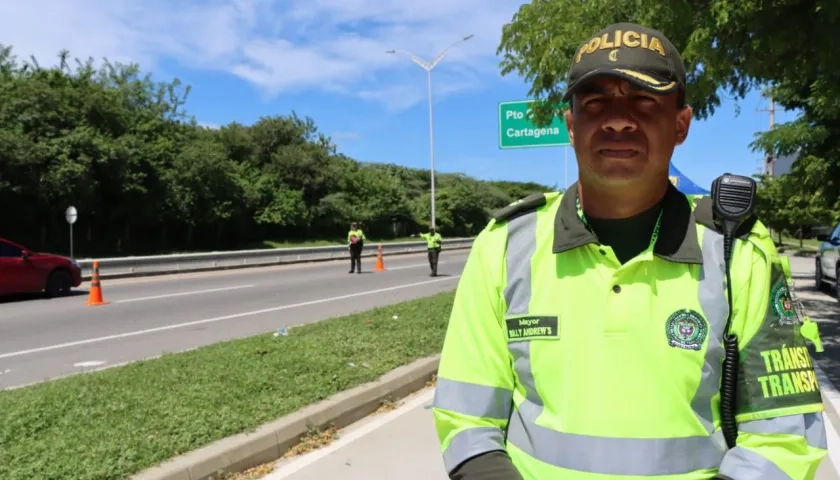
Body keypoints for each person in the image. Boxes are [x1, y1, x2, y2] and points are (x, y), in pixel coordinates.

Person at [432, 22, 827, 480]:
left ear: (681, 124)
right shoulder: (504, 247)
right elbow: (467, 423)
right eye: (596, 102)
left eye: (644, 101)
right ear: (570, 123)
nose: (618, 119)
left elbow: (783, 437)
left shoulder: (739, 254)